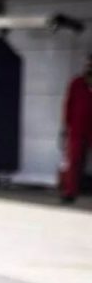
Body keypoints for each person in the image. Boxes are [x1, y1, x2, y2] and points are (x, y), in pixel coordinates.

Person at [59, 52, 92, 203]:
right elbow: (68, 105)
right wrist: (65, 127)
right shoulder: (77, 83)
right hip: (77, 127)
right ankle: (70, 192)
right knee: (74, 160)